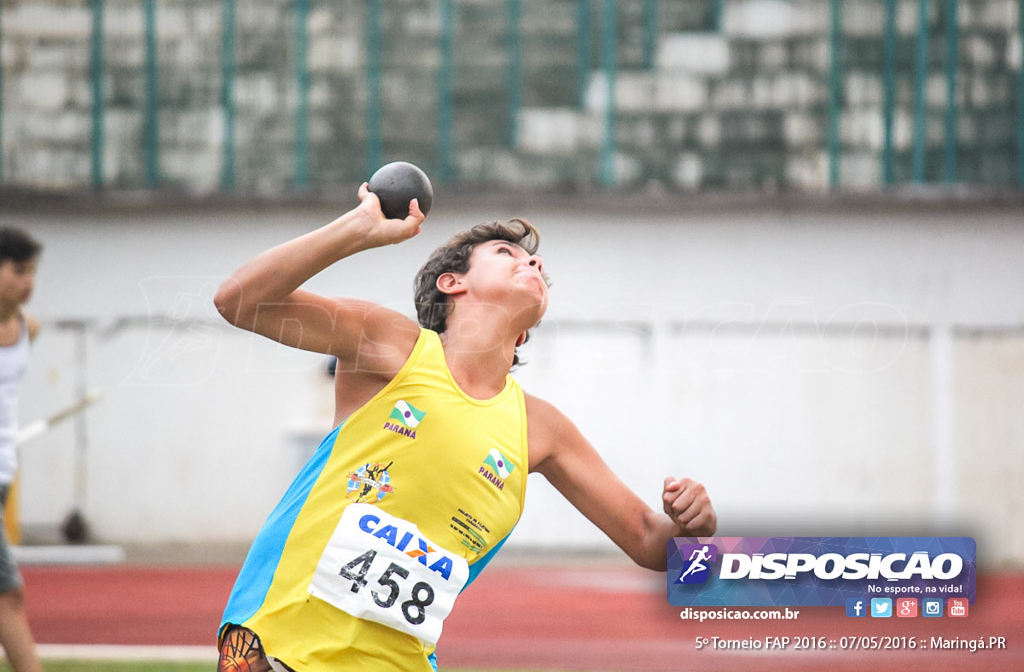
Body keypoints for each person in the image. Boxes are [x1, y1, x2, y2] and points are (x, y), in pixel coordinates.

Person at [213, 185, 717, 671]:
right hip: (280, 647)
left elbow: (651, 541)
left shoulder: (539, 429)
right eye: (506, 253)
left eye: (536, 262)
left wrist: (693, 527)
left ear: (526, 331)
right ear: (452, 283)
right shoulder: (395, 347)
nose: (533, 263)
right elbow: (238, 300)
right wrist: (358, 229)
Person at [0, 227, 44, 672]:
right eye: (18, 271)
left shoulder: (29, 329)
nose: (28, 282)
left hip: (3, 475)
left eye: (33, 272)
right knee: (8, 595)